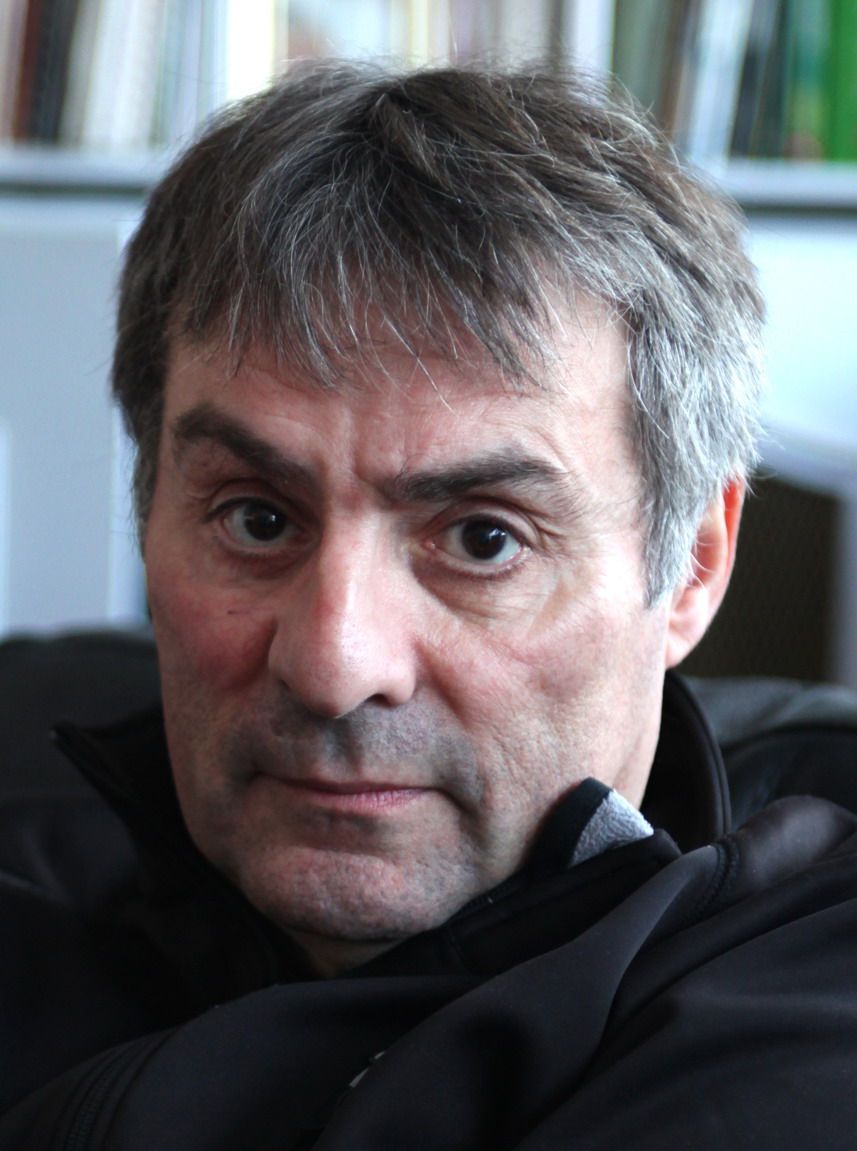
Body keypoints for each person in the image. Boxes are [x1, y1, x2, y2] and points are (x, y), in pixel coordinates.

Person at [3, 59, 857, 1150]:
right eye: (256, 519)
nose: (333, 663)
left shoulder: (798, 1000)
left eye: (482, 539)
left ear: (690, 566)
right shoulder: (31, 873)